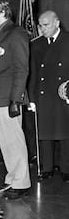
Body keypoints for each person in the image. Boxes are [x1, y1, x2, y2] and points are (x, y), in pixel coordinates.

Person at [0, 0, 31, 199]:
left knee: (14, 141)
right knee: (6, 142)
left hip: (8, 97)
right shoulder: (0, 33)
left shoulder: (16, 33)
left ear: (2, 12)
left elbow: (21, 69)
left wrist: (16, 99)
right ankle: (13, 179)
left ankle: (21, 183)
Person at [28, 10, 69, 182]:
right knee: (44, 132)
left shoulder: (67, 40)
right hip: (43, 94)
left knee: (65, 132)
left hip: (63, 93)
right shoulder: (36, 45)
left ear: (57, 23)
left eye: (46, 25)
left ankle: (66, 168)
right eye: (40, 25)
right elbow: (34, 73)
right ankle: (47, 167)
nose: (42, 28)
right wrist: (31, 97)